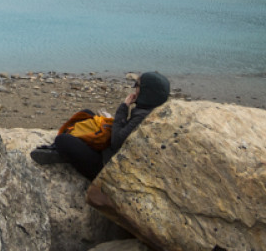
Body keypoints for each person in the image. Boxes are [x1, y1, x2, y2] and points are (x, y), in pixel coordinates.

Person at [32, 70, 171, 181]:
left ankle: (61, 153)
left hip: (106, 168)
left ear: (147, 92)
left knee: (62, 140)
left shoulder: (142, 116)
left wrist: (123, 107)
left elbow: (117, 142)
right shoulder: (150, 110)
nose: (135, 89)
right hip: (109, 154)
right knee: (87, 114)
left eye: (137, 86)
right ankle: (64, 150)